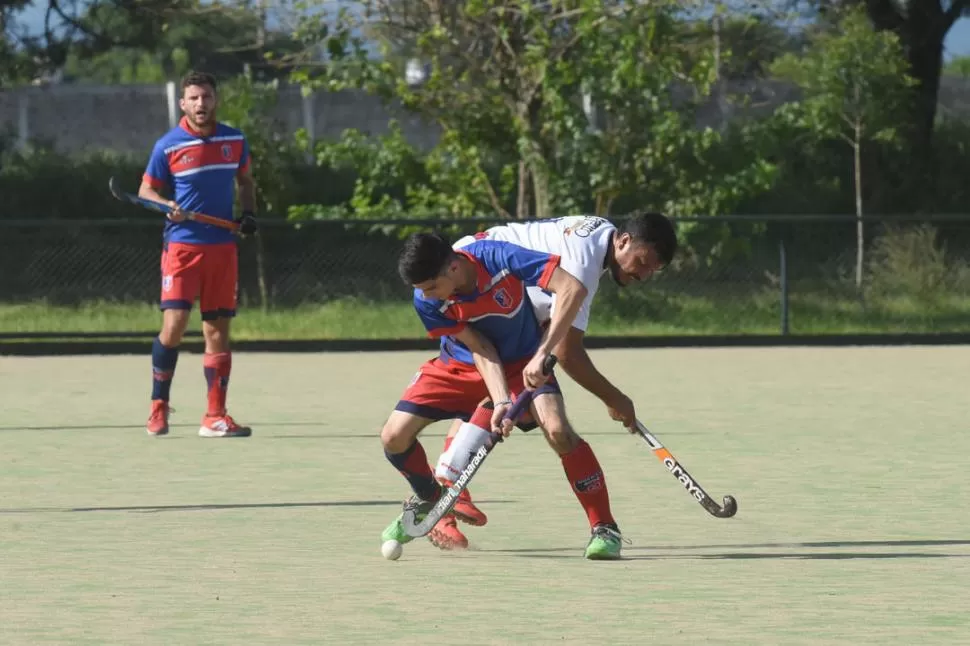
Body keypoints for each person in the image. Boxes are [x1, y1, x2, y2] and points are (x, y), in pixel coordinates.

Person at [431, 212, 677, 548]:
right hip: (471, 291)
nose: (644, 274)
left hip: (518, 315)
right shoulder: (583, 263)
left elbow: (556, 333)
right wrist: (615, 398)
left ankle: (604, 528)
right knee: (487, 400)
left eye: (653, 270)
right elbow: (567, 352)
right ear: (624, 241)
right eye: (644, 263)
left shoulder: (601, 240)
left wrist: (548, 338)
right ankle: (440, 508)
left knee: (555, 428)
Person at [380, 231, 626, 560]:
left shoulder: (498, 258)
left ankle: (604, 527)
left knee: (557, 431)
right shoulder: (427, 300)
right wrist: (501, 401)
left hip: (523, 359)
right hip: (459, 364)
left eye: (430, 287)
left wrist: (543, 353)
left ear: (453, 269)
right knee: (393, 437)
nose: (426, 296)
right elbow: (480, 347)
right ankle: (431, 498)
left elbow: (572, 288)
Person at [139, 71, 259, 438]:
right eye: (193, 98)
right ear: (183, 103)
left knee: (217, 331)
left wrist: (249, 215)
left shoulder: (234, 140)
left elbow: (246, 181)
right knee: (174, 326)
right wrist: (166, 206)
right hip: (182, 247)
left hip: (222, 247)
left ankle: (215, 416)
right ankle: (158, 407)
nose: (200, 104)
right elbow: (146, 190)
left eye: (206, 97)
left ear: (215, 99)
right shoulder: (168, 146)